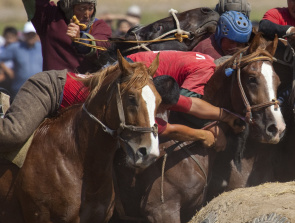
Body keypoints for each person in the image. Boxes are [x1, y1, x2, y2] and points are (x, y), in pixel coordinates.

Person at [0, 62, 243, 156]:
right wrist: (203, 135)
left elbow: (191, 104)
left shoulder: (152, 90)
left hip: (70, 108)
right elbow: (165, 128)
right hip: (52, 88)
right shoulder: (136, 96)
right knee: (13, 135)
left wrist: (226, 116)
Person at [19, 0, 111, 74]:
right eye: (81, 9)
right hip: (55, 89)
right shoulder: (50, 20)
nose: (87, 14)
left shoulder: (100, 27)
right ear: (69, 7)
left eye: (90, 8)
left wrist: (80, 39)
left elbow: (101, 47)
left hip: (87, 90)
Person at [0, 22, 42, 96]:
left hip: (38, 89)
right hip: (19, 89)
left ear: (36, 35)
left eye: (32, 34)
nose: (30, 37)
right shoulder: (16, 47)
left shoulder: (42, 48)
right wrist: (7, 71)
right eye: (28, 34)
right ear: (24, 35)